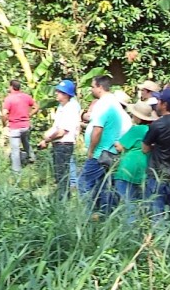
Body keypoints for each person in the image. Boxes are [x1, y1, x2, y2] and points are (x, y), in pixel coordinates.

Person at [81, 75, 132, 211]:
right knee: (105, 186)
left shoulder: (104, 104)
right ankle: (104, 215)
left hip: (100, 153)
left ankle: (86, 216)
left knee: (85, 184)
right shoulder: (112, 103)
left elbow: (98, 130)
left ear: (100, 87)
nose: (91, 90)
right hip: (109, 152)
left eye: (92, 87)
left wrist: (91, 150)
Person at [142, 88, 170, 217]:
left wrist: (154, 146)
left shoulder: (159, 124)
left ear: (164, 104)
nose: (157, 103)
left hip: (157, 174)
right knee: (168, 211)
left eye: (159, 101)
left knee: (156, 213)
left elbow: (145, 148)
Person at [39, 79, 81, 196]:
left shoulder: (70, 108)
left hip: (64, 145)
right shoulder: (61, 107)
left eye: (59, 91)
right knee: (59, 174)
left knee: (62, 175)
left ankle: (63, 198)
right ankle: (62, 196)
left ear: (66, 94)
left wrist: (47, 140)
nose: (56, 93)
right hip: (58, 144)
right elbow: (56, 127)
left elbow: (61, 132)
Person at [114, 101, 156, 218]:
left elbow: (120, 146)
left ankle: (129, 232)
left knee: (129, 205)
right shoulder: (151, 130)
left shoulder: (136, 130)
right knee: (138, 203)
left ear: (137, 116)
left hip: (128, 169)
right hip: (143, 169)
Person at [2, 79, 39, 173]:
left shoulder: (9, 99)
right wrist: (30, 114)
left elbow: (4, 114)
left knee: (15, 150)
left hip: (15, 127)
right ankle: (32, 158)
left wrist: (4, 124)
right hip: (25, 126)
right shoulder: (26, 97)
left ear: (11, 87)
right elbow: (36, 107)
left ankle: (16, 171)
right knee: (25, 141)